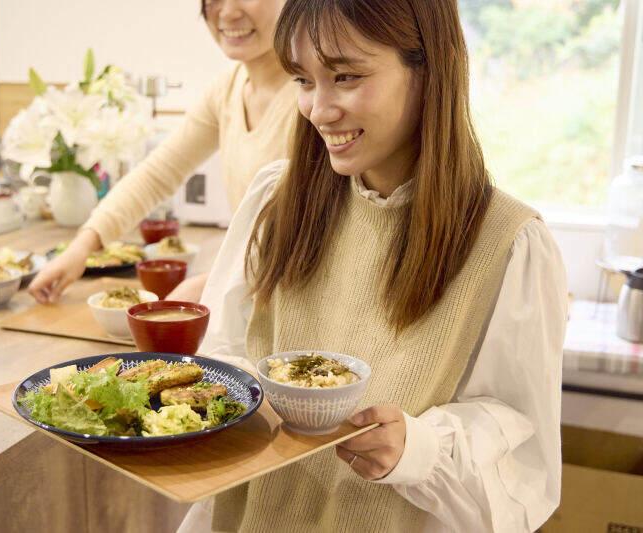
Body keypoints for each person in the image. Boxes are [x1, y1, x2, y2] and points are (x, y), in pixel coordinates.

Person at [182, 0, 568, 531]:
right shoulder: (278, 199)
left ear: (430, 69)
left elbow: (522, 459)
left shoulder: (508, 241)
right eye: (303, 80)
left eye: (345, 76)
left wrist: (418, 447)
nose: (318, 109)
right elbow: (224, 353)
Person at [28, 0, 295, 304]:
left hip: (295, 303)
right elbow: (157, 174)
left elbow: (322, 235)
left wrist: (214, 283)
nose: (228, 12)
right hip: (253, 293)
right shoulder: (228, 88)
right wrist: (81, 248)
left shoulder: (314, 96)